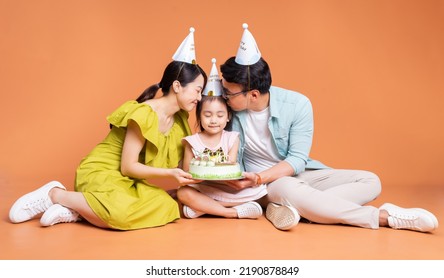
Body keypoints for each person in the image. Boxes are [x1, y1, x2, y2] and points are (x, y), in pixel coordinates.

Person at [219, 23, 438, 232]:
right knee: (286, 188)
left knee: (371, 181)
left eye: (229, 92)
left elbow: (296, 160)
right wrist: (255, 181)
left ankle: (298, 209)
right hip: (265, 188)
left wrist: (260, 177)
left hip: (294, 177)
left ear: (254, 95)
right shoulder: (225, 111)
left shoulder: (297, 104)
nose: (224, 96)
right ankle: (384, 217)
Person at [9, 27, 207, 230]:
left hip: (127, 183)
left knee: (165, 205)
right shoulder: (145, 114)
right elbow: (128, 167)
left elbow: (184, 164)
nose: (199, 98)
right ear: (177, 86)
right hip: (103, 173)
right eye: (197, 90)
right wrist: (170, 174)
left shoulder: (180, 120)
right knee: (121, 213)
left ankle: (77, 211)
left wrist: (210, 171)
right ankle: (56, 194)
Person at [177, 58, 266, 220]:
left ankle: (203, 207)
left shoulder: (232, 138)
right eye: (207, 115)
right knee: (183, 193)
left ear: (227, 117)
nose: (213, 120)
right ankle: (232, 212)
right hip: (202, 188)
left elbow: (228, 169)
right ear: (199, 116)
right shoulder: (191, 142)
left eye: (220, 115)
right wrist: (200, 175)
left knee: (259, 191)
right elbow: (186, 176)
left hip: (228, 188)